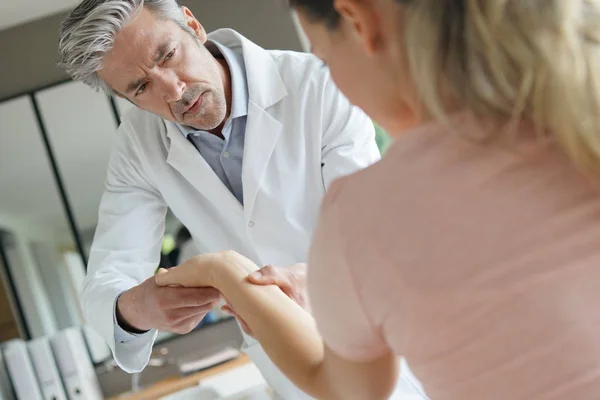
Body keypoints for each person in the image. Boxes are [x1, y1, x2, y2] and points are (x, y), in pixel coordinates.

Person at [156, 0, 600, 399]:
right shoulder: (578, 122)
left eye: (326, 59)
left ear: (357, 20)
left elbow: (341, 386)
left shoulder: (363, 215)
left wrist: (227, 272)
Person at [57, 1, 387, 398]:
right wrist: (138, 308)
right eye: (141, 87)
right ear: (127, 100)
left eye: (168, 55)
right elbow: (106, 277)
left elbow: (374, 227)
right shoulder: (137, 147)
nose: (175, 90)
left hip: (388, 333)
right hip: (293, 374)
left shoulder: (315, 84)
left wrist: (314, 281)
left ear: (193, 26)